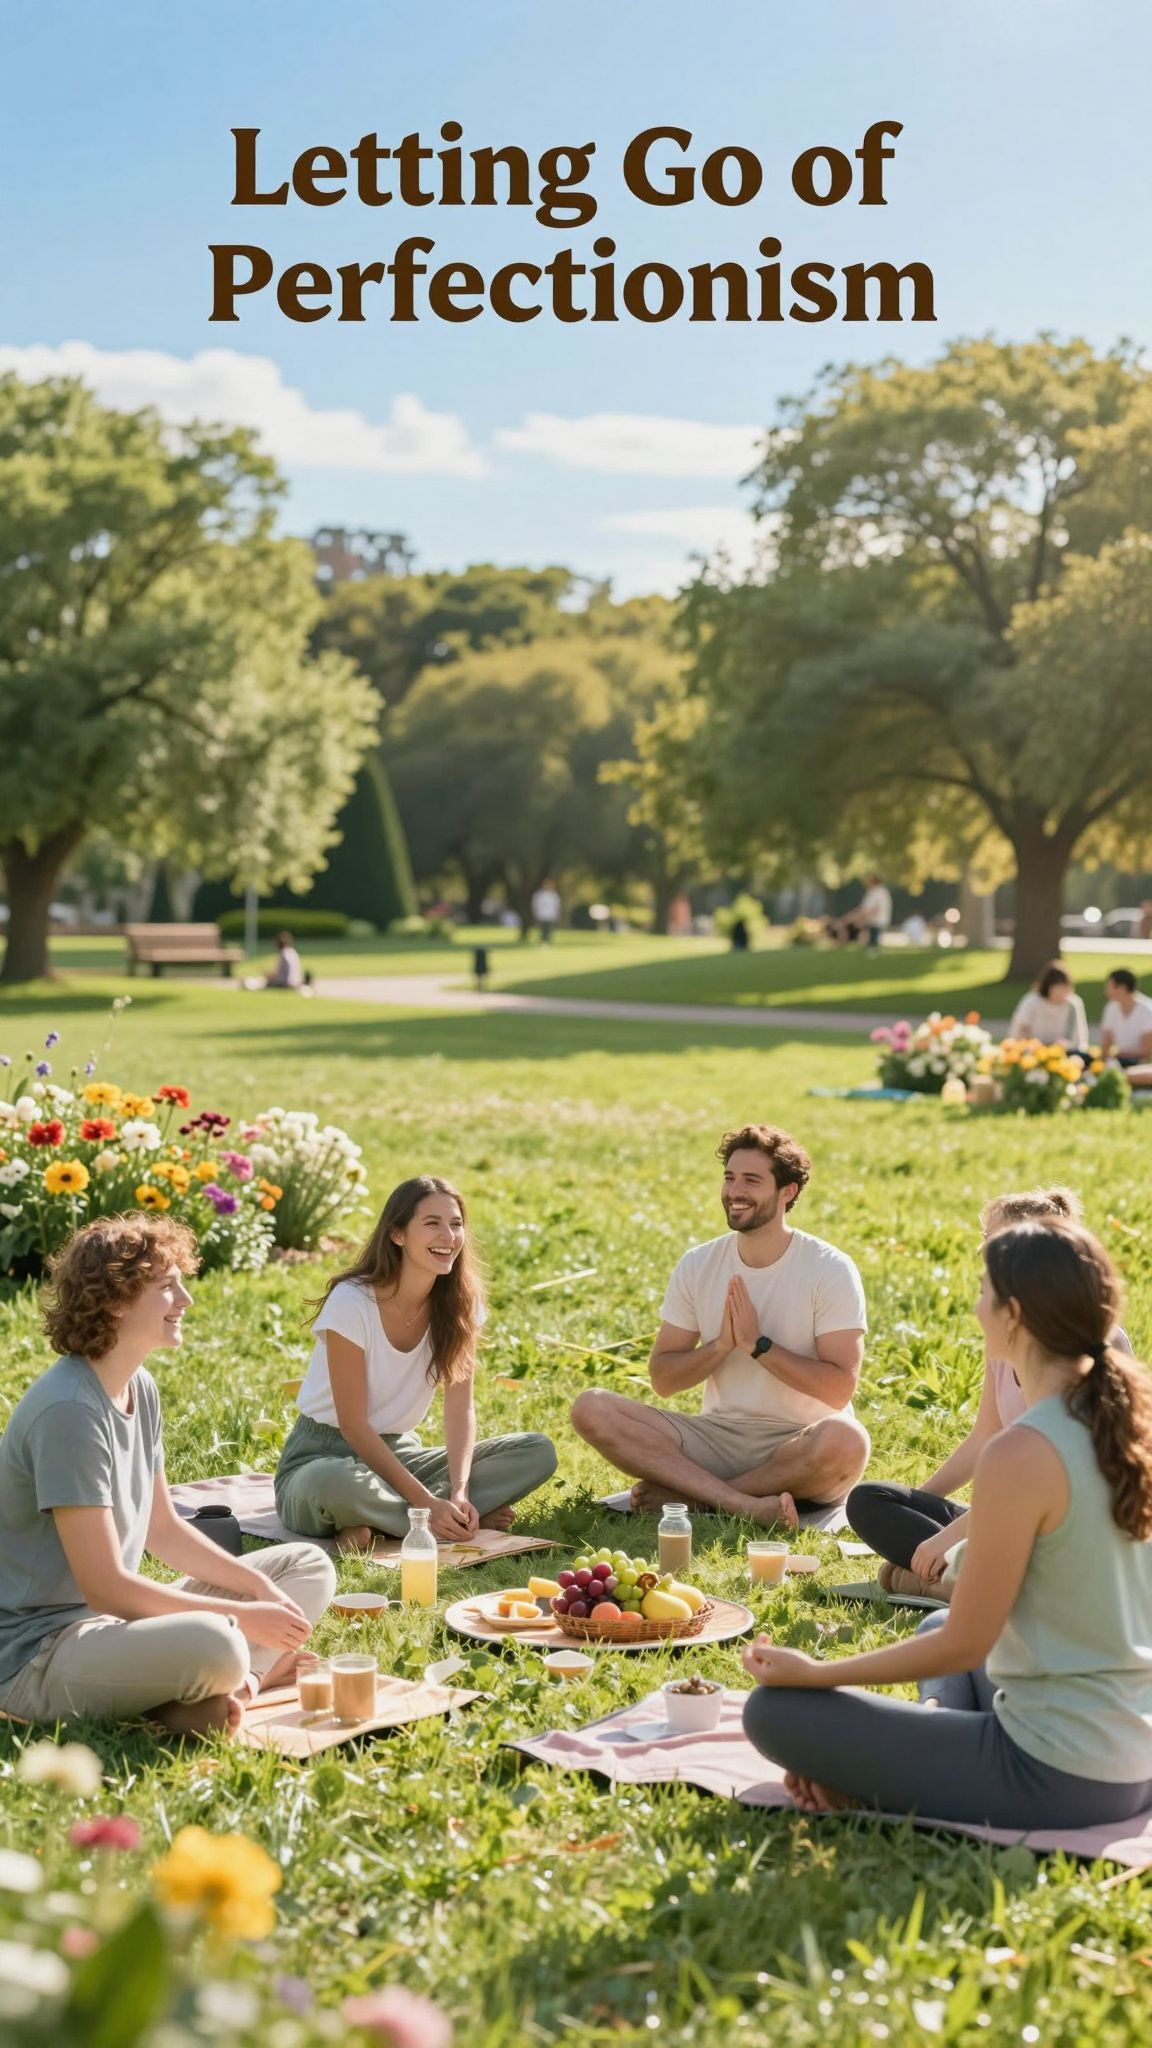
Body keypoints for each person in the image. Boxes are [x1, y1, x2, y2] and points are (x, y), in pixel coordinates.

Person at [743, 1219, 1152, 1830]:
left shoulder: (1024, 1452)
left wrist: (818, 1674)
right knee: (935, 1617)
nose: (974, 1306)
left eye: (984, 1292)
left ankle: (901, 1767)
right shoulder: (1123, 1428)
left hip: (1057, 1776)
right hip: (1130, 1755)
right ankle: (934, 1740)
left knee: (774, 1712)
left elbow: (967, 1643)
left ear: (1013, 1314)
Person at [0, 1216, 335, 1736]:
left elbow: (164, 1530)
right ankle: (222, 1679)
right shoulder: (67, 1411)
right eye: (166, 1286)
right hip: (38, 1653)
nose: (186, 1300)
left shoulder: (141, 1386)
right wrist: (244, 1620)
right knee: (218, 1641)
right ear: (114, 1301)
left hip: (113, 1628)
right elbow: (107, 1587)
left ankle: (231, 1689)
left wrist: (256, 1585)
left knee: (306, 1564)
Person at [570, 1126, 869, 1529]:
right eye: (729, 1178)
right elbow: (664, 1379)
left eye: (751, 1180)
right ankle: (736, 1501)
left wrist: (758, 1345)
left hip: (801, 1442)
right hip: (716, 1437)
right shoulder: (698, 1263)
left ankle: (697, 1496)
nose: (734, 1191)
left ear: (788, 1192)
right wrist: (721, 1346)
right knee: (592, 1407)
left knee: (847, 1441)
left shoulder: (829, 1268)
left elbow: (839, 1388)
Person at [846, 1186, 1132, 1596]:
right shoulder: (1006, 1335)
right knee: (870, 1500)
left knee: (937, 1562)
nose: (982, 1251)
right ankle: (958, 1577)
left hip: (1068, 1527)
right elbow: (984, 1439)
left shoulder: (1086, 1345)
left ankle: (940, 1586)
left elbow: (1047, 1483)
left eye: (993, 1241)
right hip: (1015, 1513)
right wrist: (914, 1508)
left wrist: (943, 1541)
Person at [275, 1177, 557, 1547]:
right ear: (397, 1235)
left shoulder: (460, 1305)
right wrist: (425, 1501)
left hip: (399, 1455)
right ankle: (435, 1521)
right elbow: (354, 1426)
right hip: (321, 1456)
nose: (448, 1236)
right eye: (432, 1223)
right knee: (337, 1485)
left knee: (536, 1450)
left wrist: (458, 1491)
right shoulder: (352, 1301)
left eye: (456, 1224)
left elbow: (460, 1409)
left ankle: (404, 1521)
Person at [1009, 961, 1089, 1052]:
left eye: (1064, 990)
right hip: (1033, 1050)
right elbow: (1021, 1030)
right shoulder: (1032, 1001)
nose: (1061, 995)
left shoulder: (1073, 1004)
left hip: (1063, 1051)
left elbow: (1078, 1037)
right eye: (1058, 990)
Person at [1099, 968, 1152, 1067]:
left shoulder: (1147, 1010)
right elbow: (1106, 1041)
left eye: (1109, 986)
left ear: (1122, 988)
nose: (1106, 991)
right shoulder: (1111, 1007)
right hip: (1119, 1059)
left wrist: (1119, 1054)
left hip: (1140, 1063)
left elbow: (1146, 1051)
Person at [841, 874, 892, 949]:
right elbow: (864, 907)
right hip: (870, 919)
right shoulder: (872, 892)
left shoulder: (880, 892)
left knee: (873, 938)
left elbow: (875, 908)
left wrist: (861, 918)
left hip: (876, 920)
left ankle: (873, 950)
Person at [530, 879, 562, 943]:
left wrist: (557, 914)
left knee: (549, 930)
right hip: (541, 915)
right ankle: (542, 942)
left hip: (551, 915)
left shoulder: (554, 895)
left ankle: (548, 942)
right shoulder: (539, 894)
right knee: (542, 930)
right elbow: (535, 904)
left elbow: (557, 906)